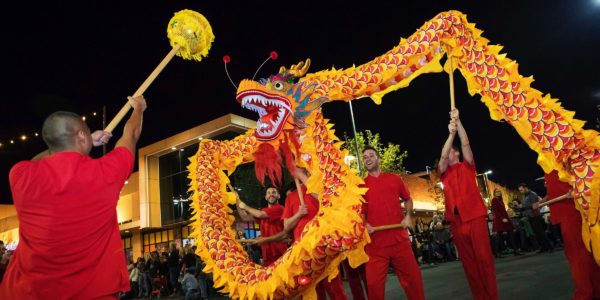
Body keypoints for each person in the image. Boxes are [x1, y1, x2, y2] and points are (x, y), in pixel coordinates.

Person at [0, 96, 146, 299]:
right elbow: (131, 135)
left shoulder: (20, 175)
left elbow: (35, 161)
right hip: (90, 292)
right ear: (81, 136)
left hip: (25, 292)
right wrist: (138, 108)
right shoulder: (104, 173)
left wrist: (81, 141)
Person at [438, 108, 497, 300]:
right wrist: (450, 134)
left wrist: (459, 122)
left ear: (457, 153)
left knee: (484, 260)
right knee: (469, 265)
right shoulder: (443, 172)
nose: (449, 153)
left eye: (452, 150)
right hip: (457, 221)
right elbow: (443, 157)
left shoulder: (467, 166)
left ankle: (491, 296)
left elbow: (465, 143)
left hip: (474, 217)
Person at [360, 146, 425, 300]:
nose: (367, 158)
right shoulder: (360, 186)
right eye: (365, 157)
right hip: (375, 245)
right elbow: (360, 213)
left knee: (414, 281)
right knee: (374, 286)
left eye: (371, 155)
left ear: (378, 159)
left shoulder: (395, 179)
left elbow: (408, 199)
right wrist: (365, 225)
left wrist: (408, 215)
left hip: (399, 241)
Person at [281, 167, 347, 300]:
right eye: (298, 168)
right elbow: (286, 226)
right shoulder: (291, 197)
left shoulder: (320, 190)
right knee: (312, 293)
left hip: (324, 249)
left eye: (303, 168)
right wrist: (298, 214)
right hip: (303, 254)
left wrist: (302, 177)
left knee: (335, 289)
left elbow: (327, 202)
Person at [534, 171, 600, 299]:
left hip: (573, 207)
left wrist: (578, 187)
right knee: (584, 251)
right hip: (569, 206)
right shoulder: (553, 158)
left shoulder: (561, 154)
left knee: (578, 253)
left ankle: (585, 293)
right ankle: (593, 290)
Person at [236, 186, 289, 266]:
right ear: (266, 197)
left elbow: (259, 214)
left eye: (274, 192)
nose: (271, 195)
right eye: (268, 193)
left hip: (279, 253)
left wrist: (245, 206)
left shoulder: (279, 208)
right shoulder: (264, 213)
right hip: (267, 256)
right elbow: (245, 217)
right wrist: (237, 200)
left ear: (279, 196)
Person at [518, 183, 553, 253]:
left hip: (535, 215)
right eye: (520, 190)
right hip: (530, 216)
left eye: (521, 190)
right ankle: (544, 247)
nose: (520, 192)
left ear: (525, 188)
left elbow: (535, 205)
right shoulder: (525, 196)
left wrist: (523, 208)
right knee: (537, 233)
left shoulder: (532, 194)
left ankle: (549, 247)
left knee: (540, 232)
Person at [490, 189, 521, 257]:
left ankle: (515, 250)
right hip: (500, 220)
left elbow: (503, 210)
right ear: (494, 193)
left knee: (511, 233)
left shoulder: (500, 199)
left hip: (505, 218)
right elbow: (495, 211)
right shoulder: (494, 200)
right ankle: (496, 252)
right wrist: (502, 218)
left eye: (499, 191)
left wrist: (507, 218)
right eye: (497, 192)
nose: (498, 193)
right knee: (499, 235)